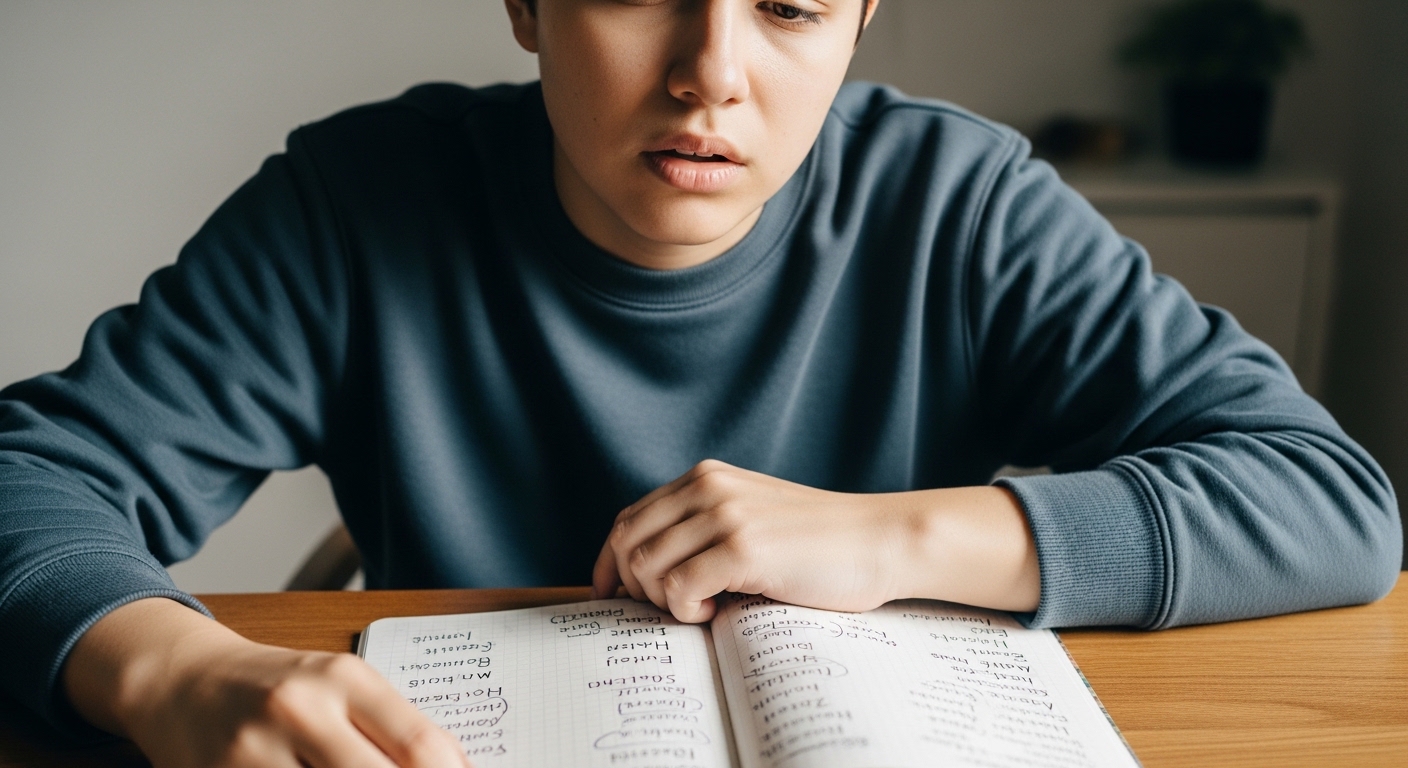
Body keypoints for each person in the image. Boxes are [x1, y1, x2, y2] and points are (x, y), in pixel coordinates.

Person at [0, 0, 1399, 766]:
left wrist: (896, 533)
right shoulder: (357, 205)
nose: (709, 75)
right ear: (527, 4)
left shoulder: (958, 204)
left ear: (860, 21)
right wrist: (169, 670)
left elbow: (1332, 499)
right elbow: (33, 475)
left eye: (788, 5)